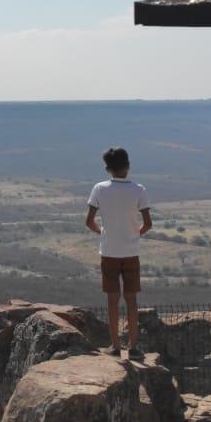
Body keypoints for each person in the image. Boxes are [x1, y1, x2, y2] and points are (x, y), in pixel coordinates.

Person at [84, 147, 152, 358]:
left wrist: (103, 233)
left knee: (112, 300)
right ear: (128, 166)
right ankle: (133, 348)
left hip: (109, 252)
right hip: (131, 252)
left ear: (107, 169)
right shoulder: (138, 189)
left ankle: (115, 347)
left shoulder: (99, 188)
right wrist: (134, 234)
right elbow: (148, 224)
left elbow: (89, 221)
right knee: (131, 300)